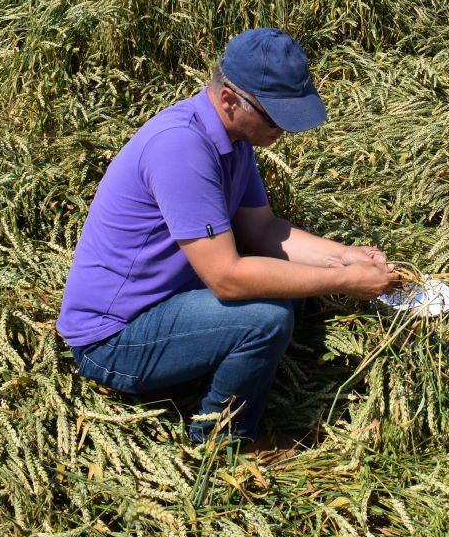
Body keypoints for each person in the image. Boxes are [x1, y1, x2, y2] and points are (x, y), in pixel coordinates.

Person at [56, 27, 399, 448]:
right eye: (275, 116)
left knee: (291, 287)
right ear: (229, 100)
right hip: (114, 338)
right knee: (266, 317)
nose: (284, 130)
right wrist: (345, 282)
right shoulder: (181, 148)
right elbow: (227, 277)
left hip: (168, 301)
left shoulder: (233, 139)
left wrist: (345, 257)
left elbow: (263, 229)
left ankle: (202, 375)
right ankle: (221, 440)